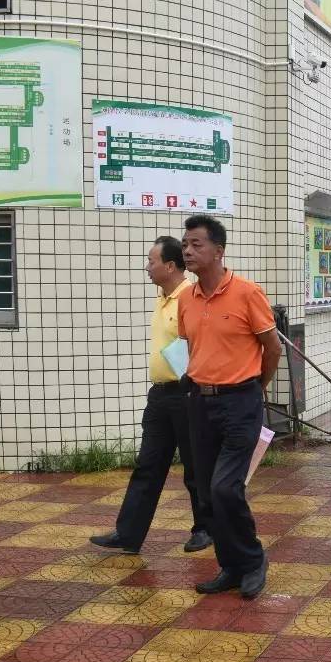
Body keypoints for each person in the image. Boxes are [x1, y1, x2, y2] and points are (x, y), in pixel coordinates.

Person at [179, 215, 281, 599]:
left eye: (196, 244)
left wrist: (255, 388)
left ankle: (253, 560)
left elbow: (272, 349)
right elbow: (193, 347)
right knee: (206, 492)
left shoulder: (247, 293)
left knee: (225, 487)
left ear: (218, 251)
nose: (188, 250)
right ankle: (231, 566)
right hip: (200, 403)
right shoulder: (187, 298)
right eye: (185, 244)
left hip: (241, 401)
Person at [90, 237, 213, 556]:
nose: (147, 267)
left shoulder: (191, 296)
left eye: (151, 261)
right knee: (147, 465)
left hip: (187, 395)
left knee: (195, 467)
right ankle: (128, 533)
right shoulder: (163, 298)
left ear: (170, 266)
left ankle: (205, 528)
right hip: (160, 397)